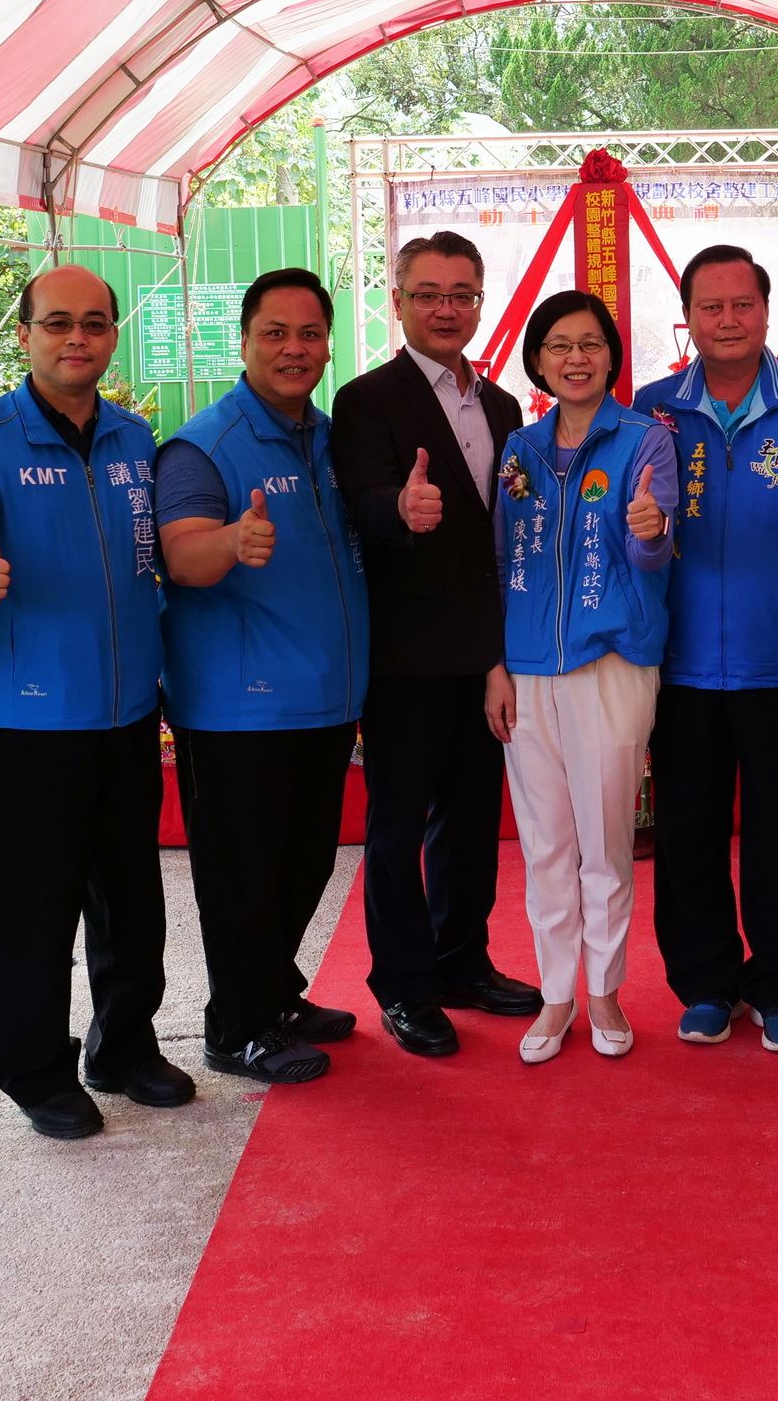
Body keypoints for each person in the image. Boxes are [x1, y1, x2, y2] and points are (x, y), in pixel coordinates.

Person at [0, 265, 188, 1139]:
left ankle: (124, 1047)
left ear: (113, 333)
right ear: (24, 335)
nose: (76, 338)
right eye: (56, 323)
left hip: (127, 711)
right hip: (28, 721)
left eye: (93, 323)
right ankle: (35, 1072)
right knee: (34, 910)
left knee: (132, 899)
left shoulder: (134, 437)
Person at [636, 246, 778, 1052]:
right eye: (711, 306)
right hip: (681, 662)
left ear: (767, 312)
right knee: (688, 832)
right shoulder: (654, 409)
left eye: (743, 304)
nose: (728, 320)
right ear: (688, 319)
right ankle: (705, 985)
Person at [328, 232, 539, 1058]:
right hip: (405, 657)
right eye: (428, 294)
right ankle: (405, 987)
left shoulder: (503, 407)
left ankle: (462, 963)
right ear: (398, 301)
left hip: (483, 654)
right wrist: (398, 509)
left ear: (479, 302)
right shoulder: (366, 399)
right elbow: (361, 499)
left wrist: (499, 652)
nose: (446, 309)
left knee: (472, 820)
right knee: (397, 829)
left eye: (461, 294)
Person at [159, 268, 369, 1085]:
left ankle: (274, 994)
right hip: (238, 708)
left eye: (309, 334)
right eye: (275, 333)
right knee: (242, 877)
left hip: (322, 694)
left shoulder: (328, 438)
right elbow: (182, 555)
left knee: (304, 863)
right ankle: (236, 1027)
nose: (293, 349)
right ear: (243, 342)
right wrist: (230, 544)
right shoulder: (204, 445)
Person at [485, 292, 678, 1062]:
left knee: (605, 842)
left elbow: (654, 556)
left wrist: (651, 531)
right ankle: (556, 993)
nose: (576, 358)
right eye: (560, 345)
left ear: (611, 357)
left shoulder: (644, 440)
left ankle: (604, 989)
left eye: (591, 343)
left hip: (613, 664)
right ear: (538, 361)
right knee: (544, 846)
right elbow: (499, 560)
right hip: (527, 669)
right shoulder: (519, 450)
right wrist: (495, 664)